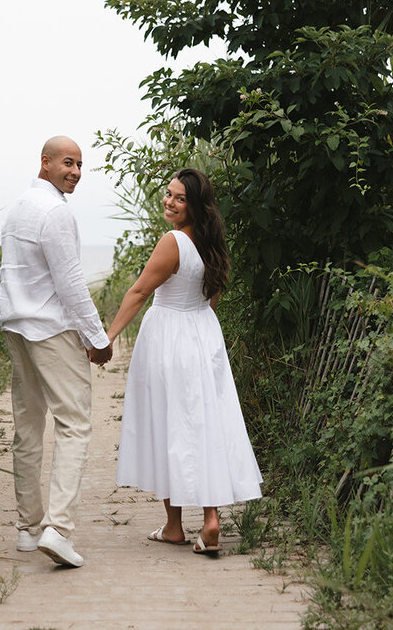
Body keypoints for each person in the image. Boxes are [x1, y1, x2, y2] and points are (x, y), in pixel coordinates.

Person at [108, 168, 262, 556]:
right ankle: (188, 523)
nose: (170, 202)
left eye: (180, 198)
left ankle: (190, 523)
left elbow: (141, 290)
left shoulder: (173, 241)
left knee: (170, 423)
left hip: (169, 338)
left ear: (194, 205)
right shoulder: (211, 242)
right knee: (201, 423)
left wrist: (106, 338)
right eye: (169, 194)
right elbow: (212, 297)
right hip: (203, 334)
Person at [0, 135, 113, 568]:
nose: (76, 172)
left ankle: (29, 529)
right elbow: (70, 284)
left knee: (28, 425)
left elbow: (12, 273)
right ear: (44, 162)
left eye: (81, 165)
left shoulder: (18, 209)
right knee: (75, 424)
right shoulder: (55, 212)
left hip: (17, 327)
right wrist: (97, 339)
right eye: (68, 163)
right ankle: (58, 529)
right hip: (49, 330)